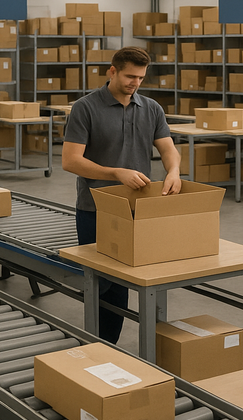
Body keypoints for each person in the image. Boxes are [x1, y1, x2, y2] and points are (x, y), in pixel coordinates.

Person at [62, 46, 182, 344]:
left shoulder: (151, 108)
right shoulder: (85, 108)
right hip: (95, 209)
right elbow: (71, 161)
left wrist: (174, 171)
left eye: (141, 78)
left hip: (137, 209)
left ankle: (109, 346)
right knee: (99, 283)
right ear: (112, 71)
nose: (135, 83)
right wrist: (116, 172)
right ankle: (93, 345)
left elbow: (167, 149)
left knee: (123, 283)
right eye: (130, 76)